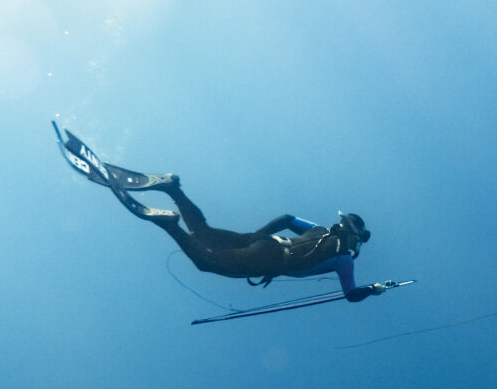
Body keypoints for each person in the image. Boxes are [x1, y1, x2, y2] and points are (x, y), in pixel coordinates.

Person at [53, 123, 385, 303]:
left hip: (266, 242)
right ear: (357, 239)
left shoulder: (319, 230)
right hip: (270, 259)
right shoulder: (345, 259)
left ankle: (172, 188)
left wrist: (257, 236)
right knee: (204, 261)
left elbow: (286, 217)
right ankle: (169, 225)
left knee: (203, 231)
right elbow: (352, 296)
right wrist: (376, 289)